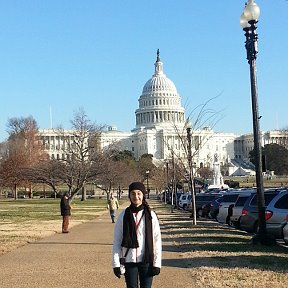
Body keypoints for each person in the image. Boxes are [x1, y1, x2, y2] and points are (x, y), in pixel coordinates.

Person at [112, 182, 162, 288]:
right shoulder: (123, 216)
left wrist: (157, 263)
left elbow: (156, 240)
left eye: (139, 193)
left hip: (146, 260)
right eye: (133, 193)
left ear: (143, 195)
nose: (136, 197)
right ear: (129, 195)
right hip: (129, 260)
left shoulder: (151, 215)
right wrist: (116, 264)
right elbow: (117, 240)